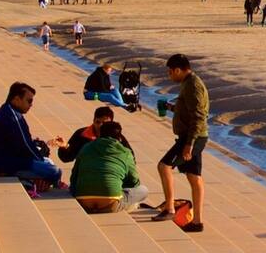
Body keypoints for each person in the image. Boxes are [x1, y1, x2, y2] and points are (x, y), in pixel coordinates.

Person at [0, 82, 66, 191]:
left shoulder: (8, 111)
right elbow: (26, 145)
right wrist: (42, 164)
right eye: (29, 101)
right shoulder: (13, 117)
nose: (31, 104)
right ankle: (42, 182)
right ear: (17, 99)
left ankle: (36, 179)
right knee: (54, 170)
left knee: (46, 162)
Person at [153, 54, 208, 232]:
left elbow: (199, 116)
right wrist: (170, 107)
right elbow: (186, 108)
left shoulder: (193, 85)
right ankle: (197, 222)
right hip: (194, 136)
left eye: (170, 72)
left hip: (192, 137)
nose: (169, 75)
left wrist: (189, 144)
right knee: (194, 177)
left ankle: (169, 208)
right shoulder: (188, 83)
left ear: (178, 70)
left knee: (164, 166)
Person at [71, 121, 146, 214]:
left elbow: (74, 175)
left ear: (99, 134)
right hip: (110, 204)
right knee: (143, 190)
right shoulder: (125, 152)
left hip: (83, 201)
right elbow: (134, 182)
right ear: (120, 137)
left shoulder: (86, 147)